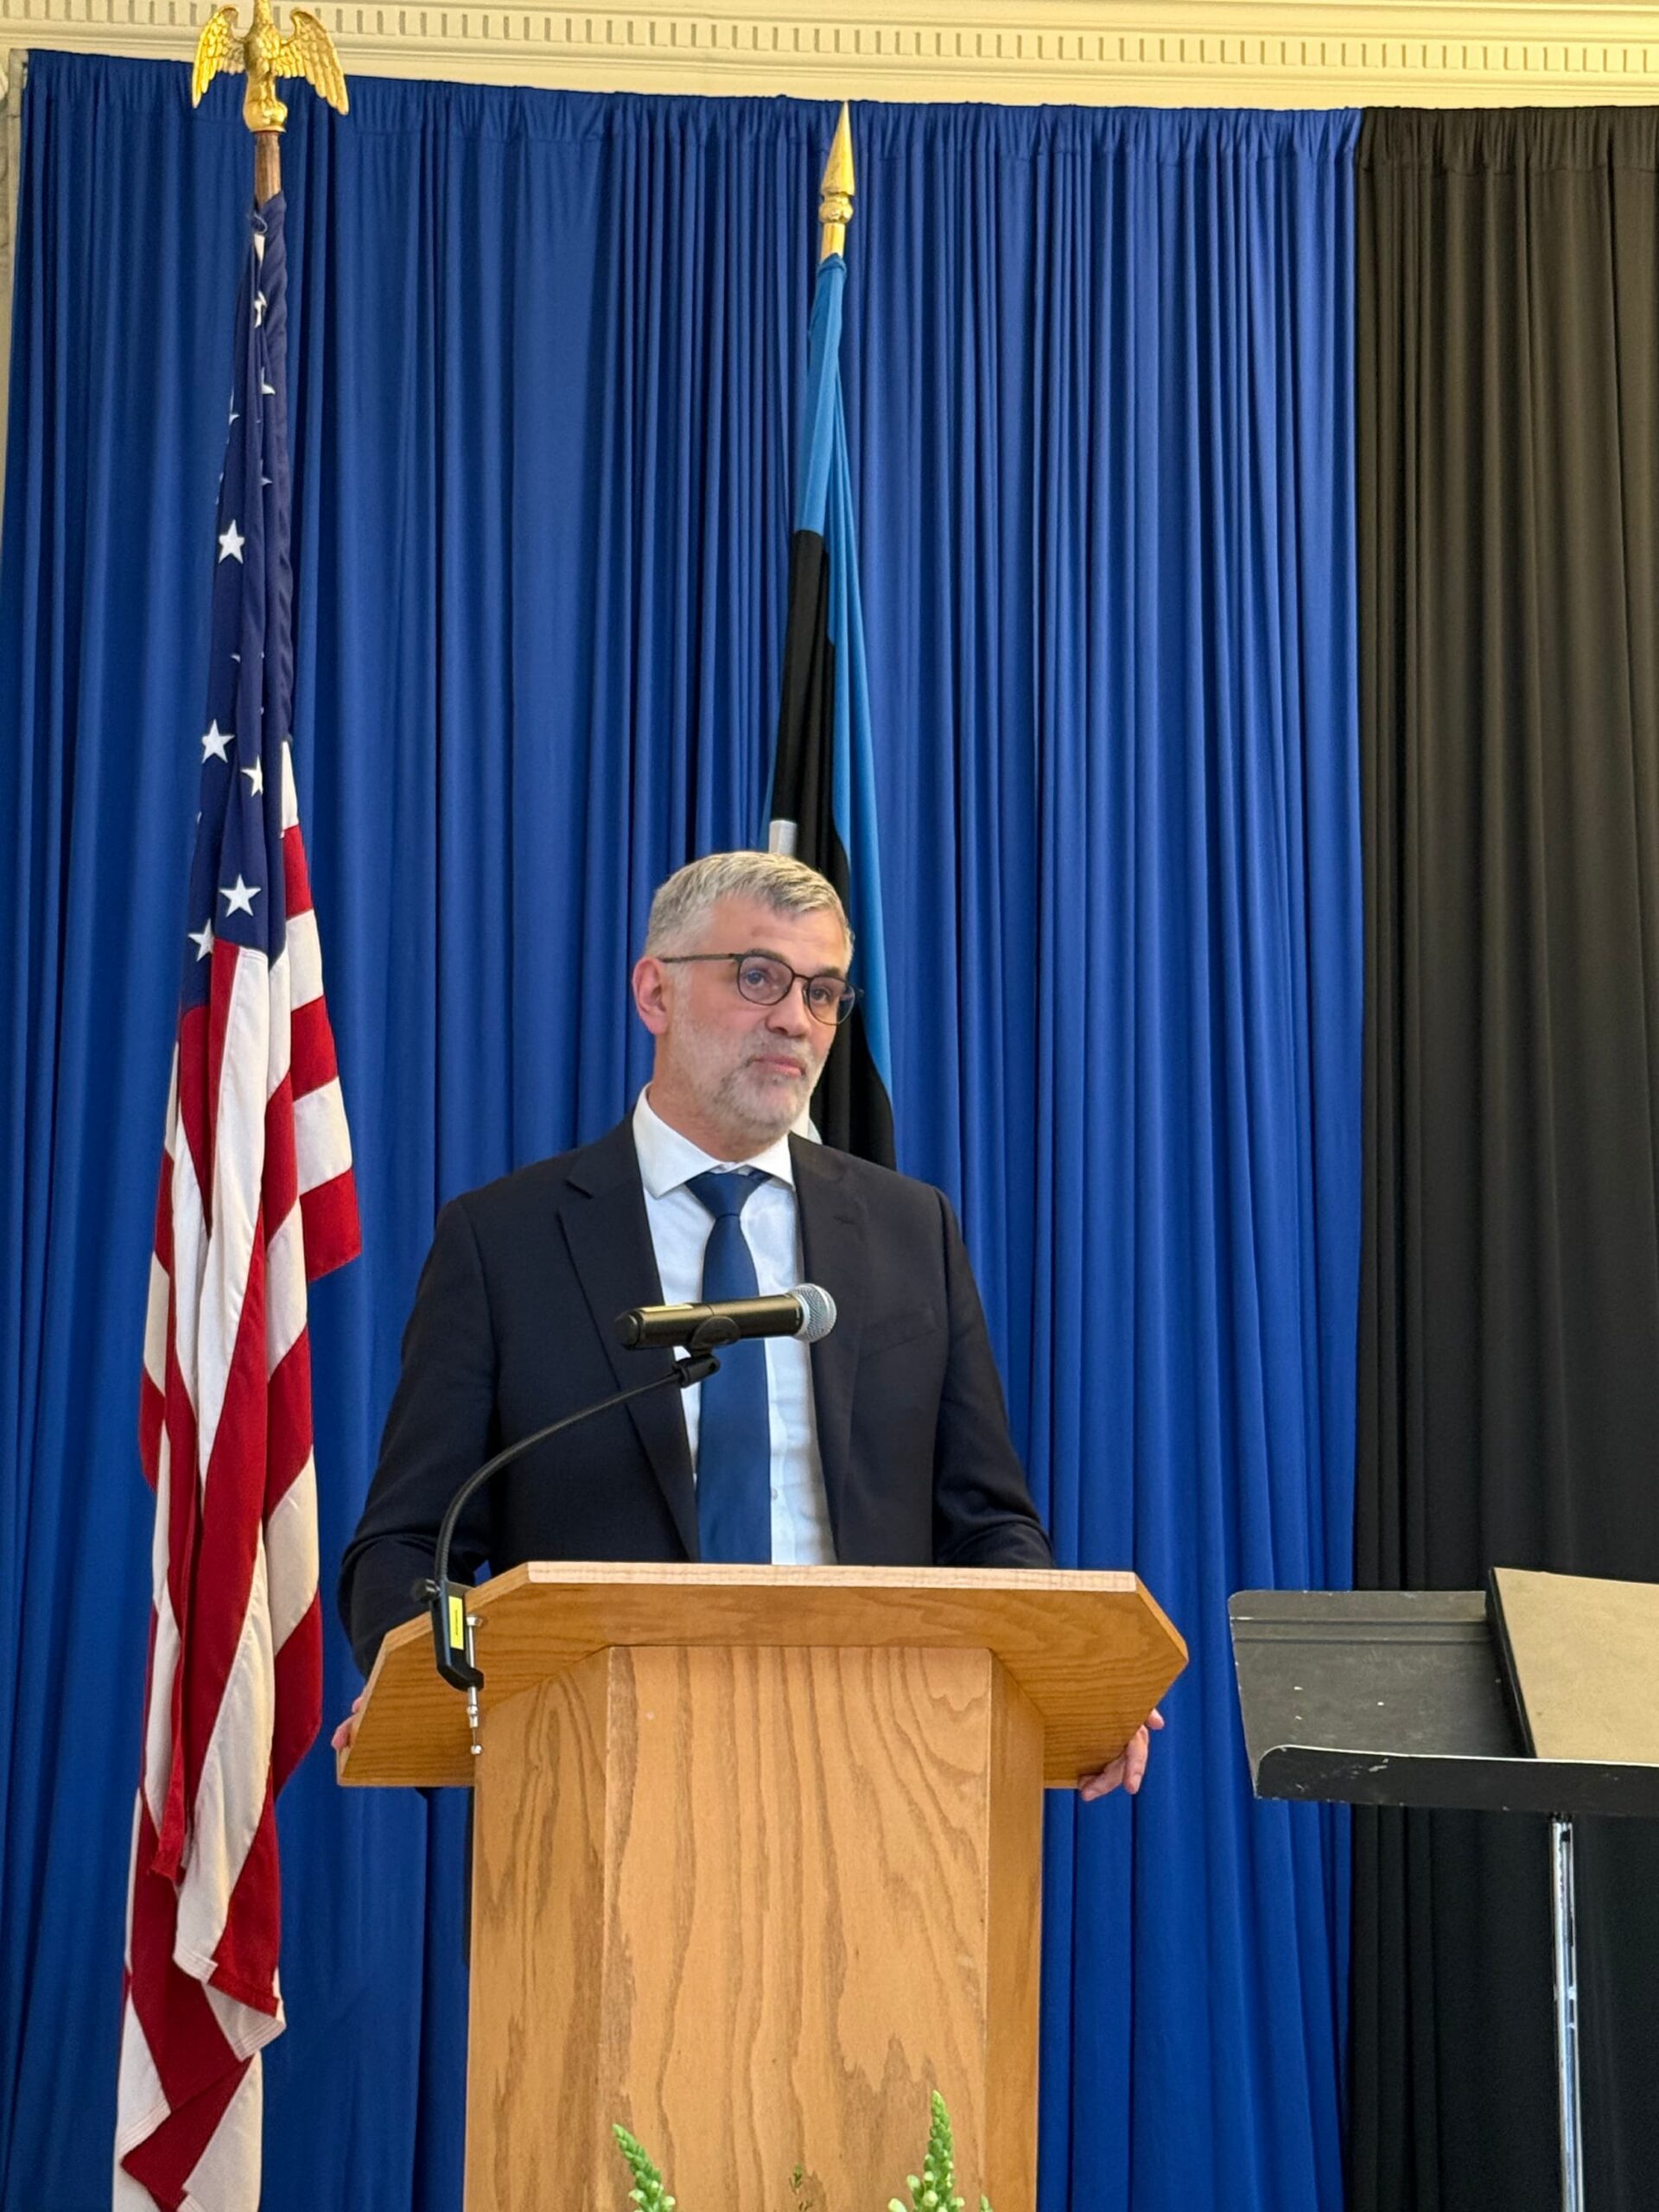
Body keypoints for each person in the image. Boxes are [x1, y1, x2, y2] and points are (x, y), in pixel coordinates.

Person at [334, 851, 1160, 1794]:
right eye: (759, 976)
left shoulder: (909, 1229)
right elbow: (411, 1542)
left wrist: (1064, 1677)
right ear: (656, 992)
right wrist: (438, 1687)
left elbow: (986, 1523)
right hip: (603, 1776)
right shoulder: (506, 1241)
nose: (795, 1020)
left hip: (881, 1767)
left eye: (823, 992)